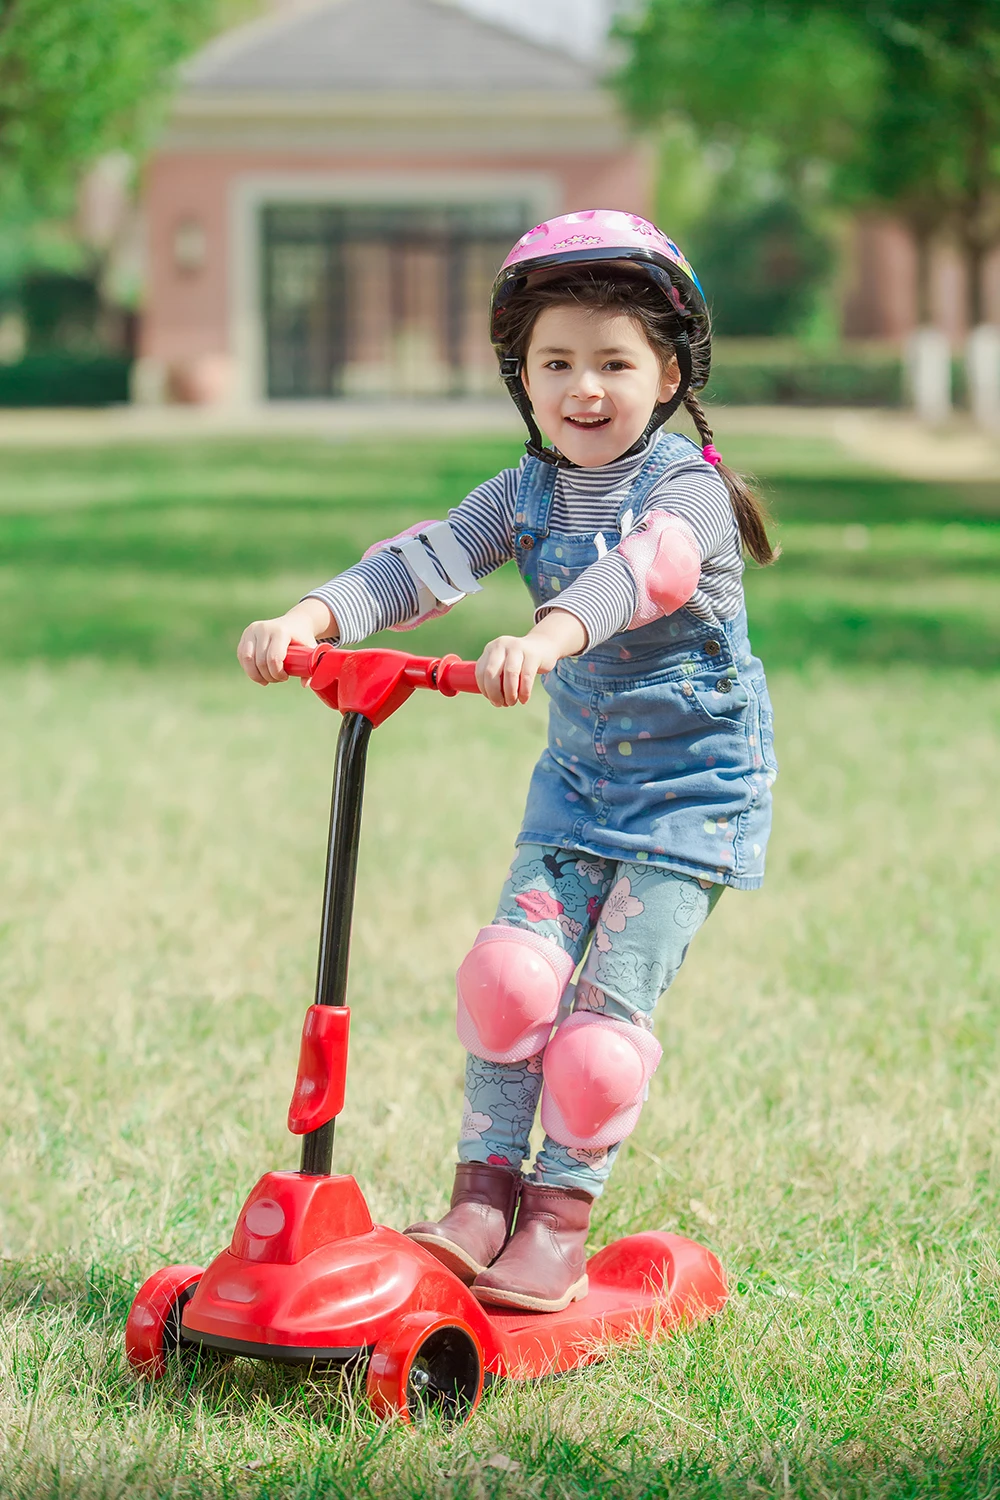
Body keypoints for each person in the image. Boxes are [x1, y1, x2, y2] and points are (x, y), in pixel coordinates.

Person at [238, 210, 778, 1314]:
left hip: (691, 801)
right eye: (556, 362)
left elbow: (649, 572)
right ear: (522, 379)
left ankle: (558, 1224)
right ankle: (481, 1203)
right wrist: (311, 617)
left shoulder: (685, 490)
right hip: (578, 791)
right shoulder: (525, 491)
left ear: (669, 375)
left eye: (614, 362)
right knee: (507, 983)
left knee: (596, 1039)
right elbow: (423, 561)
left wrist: (549, 634)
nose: (585, 387)